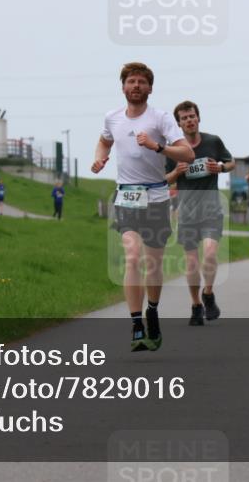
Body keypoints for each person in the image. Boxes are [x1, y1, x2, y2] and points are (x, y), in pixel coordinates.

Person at [92, 62, 193, 352]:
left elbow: (187, 151)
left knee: (154, 264)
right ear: (123, 86)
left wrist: (157, 147)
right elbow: (104, 141)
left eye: (141, 82)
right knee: (132, 257)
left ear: (150, 88)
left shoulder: (160, 118)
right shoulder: (112, 118)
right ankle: (136, 323)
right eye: (131, 81)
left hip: (157, 198)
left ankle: (152, 310)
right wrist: (100, 158)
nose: (135, 86)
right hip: (126, 198)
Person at [165, 101, 234, 326]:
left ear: (198, 118)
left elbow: (231, 162)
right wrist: (176, 171)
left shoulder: (213, 141)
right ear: (179, 123)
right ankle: (196, 305)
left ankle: (208, 293)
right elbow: (163, 181)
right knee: (192, 263)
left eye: (192, 116)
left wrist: (221, 168)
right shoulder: (173, 149)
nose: (189, 120)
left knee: (211, 254)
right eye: (184, 118)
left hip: (211, 208)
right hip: (186, 212)